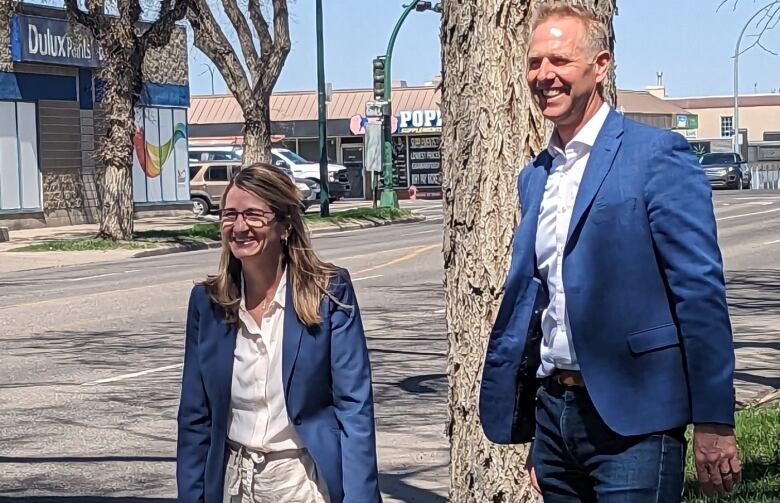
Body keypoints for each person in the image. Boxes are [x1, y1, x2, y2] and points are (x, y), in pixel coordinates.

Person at [479, 5, 741, 502]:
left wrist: (713, 420)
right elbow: (542, 303)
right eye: (535, 62)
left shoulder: (656, 156)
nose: (543, 75)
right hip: (555, 417)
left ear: (600, 66)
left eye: (559, 60)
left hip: (635, 421)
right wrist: (540, 427)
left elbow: (699, 293)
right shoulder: (536, 176)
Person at [176, 163, 382, 503]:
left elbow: (354, 406)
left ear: (284, 225)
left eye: (254, 215)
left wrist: (360, 497)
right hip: (232, 481)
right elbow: (195, 416)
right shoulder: (208, 302)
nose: (240, 227)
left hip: (301, 480)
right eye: (230, 215)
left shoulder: (328, 292)